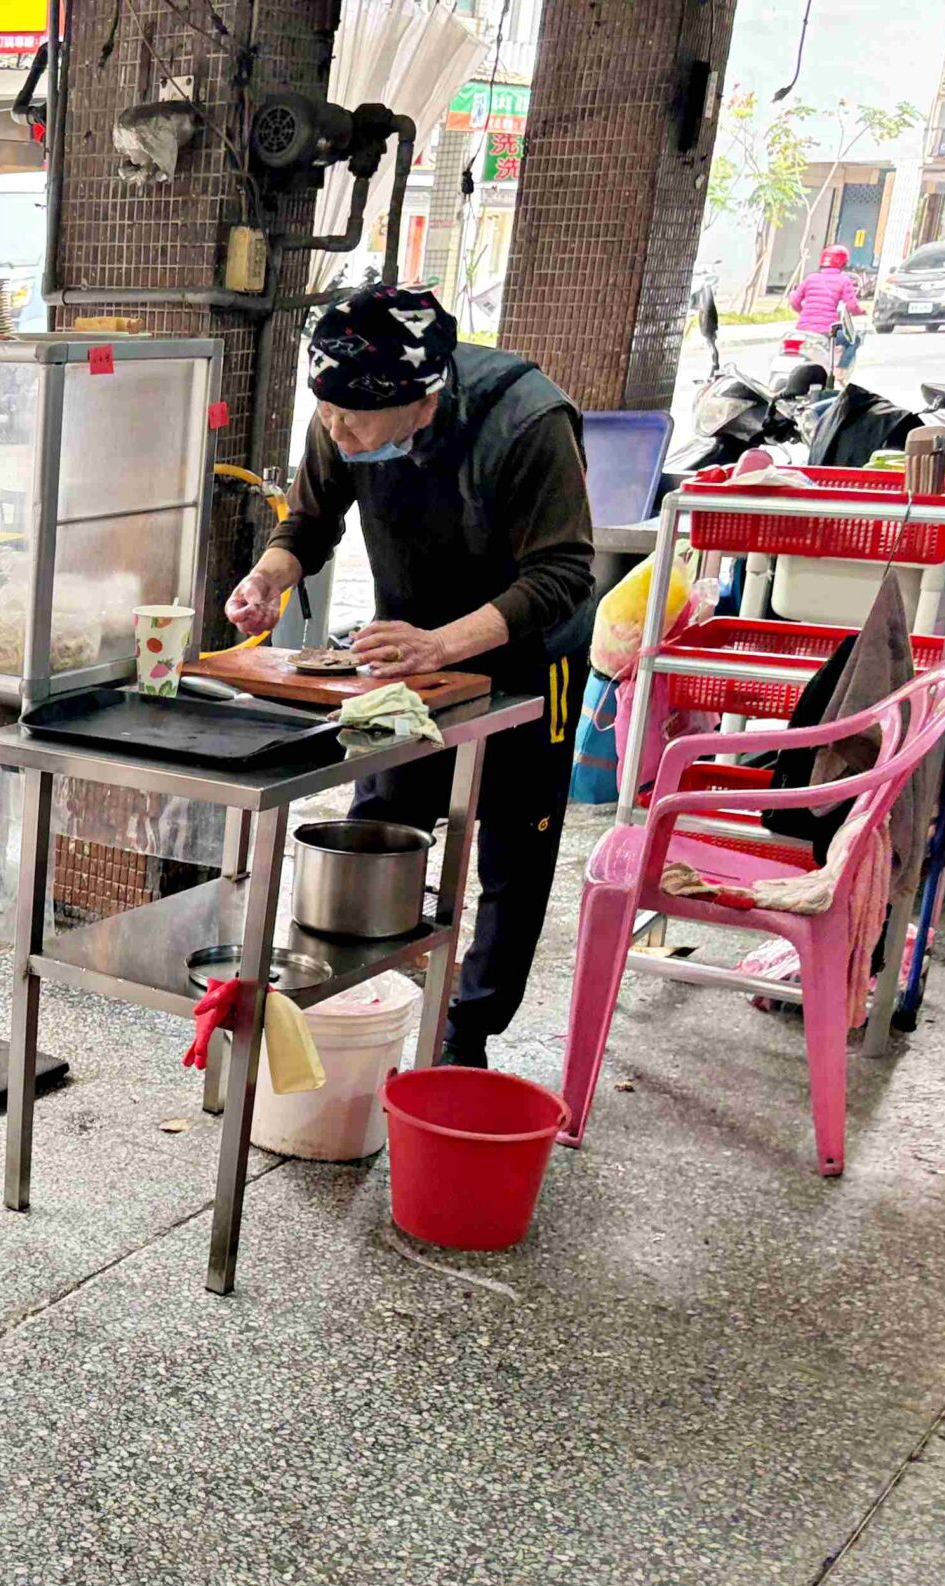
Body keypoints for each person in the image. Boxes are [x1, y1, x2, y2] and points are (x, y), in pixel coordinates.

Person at [224, 284, 595, 1069]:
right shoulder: (344, 408)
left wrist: (443, 644)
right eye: (325, 413)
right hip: (409, 659)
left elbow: (563, 573)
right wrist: (269, 575)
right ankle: (364, 998)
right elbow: (311, 520)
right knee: (381, 820)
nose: (335, 429)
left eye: (351, 420)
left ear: (422, 401)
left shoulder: (528, 422)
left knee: (510, 857)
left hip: (529, 659)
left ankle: (467, 1033)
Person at [787, 245, 863, 370]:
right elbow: (851, 306)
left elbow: (794, 301)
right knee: (854, 340)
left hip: (803, 329)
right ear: (843, 263)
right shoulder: (843, 280)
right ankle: (840, 371)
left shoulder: (810, 278)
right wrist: (861, 311)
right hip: (826, 331)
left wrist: (803, 312)